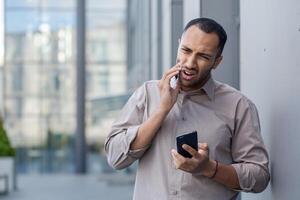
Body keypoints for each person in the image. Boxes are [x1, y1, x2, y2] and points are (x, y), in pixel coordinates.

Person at [105, 17, 270, 200]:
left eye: (203, 56)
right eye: (186, 50)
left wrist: (209, 168)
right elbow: (115, 157)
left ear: (217, 61)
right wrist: (162, 110)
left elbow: (259, 176)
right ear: (178, 45)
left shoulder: (238, 106)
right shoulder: (147, 93)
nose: (190, 63)